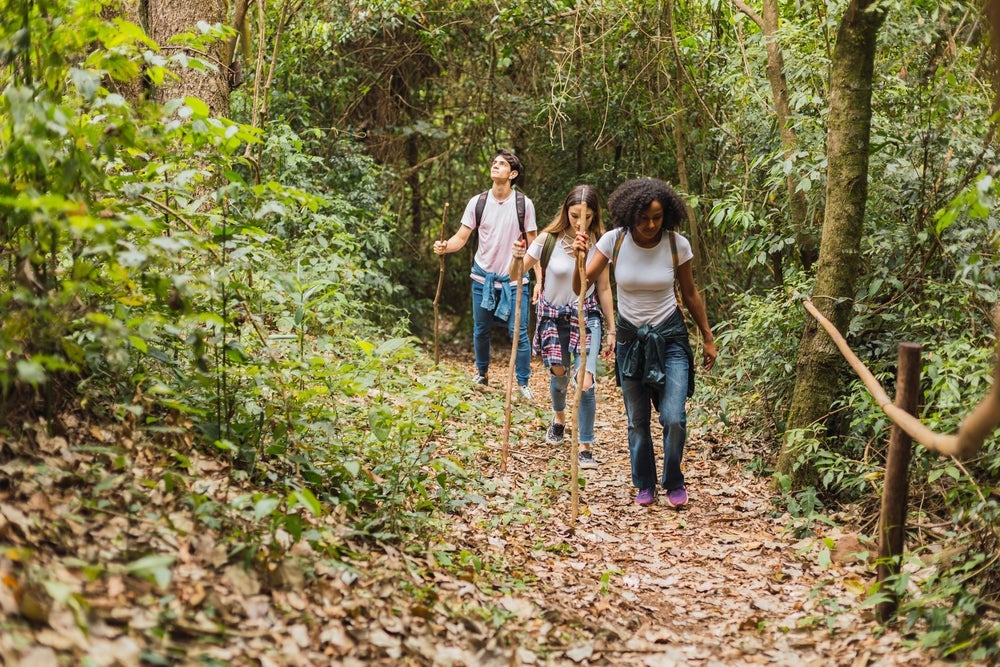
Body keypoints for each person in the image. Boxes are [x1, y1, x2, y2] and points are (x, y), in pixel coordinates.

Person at [573, 177, 717, 507]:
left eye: (657, 217)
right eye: (644, 218)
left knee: (673, 417)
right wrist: (580, 259)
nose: (651, 225)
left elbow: (691, 293)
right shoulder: (614, 242)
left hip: (670, 338)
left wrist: (708, 336)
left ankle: (673, 479)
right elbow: (580, 286)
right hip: (629, 340)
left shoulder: (675, 244)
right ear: (630, 215)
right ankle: (645, 484)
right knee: (637, 421)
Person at [510, 185, 614, 469]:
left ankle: (585, 446)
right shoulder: (548, 239)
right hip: (552, 316)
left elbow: (603, 288)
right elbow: (515, 273)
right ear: (566, 211)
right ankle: (558, 418)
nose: (581, 222)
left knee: (586, 381)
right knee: (559, 375)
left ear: (595, 216)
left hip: (586, 317)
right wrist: (517, 257)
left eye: (588, 216)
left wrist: (613, 328)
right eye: (575, 214)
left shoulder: (600, 243)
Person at [434, 150, 538, 398]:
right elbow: (461, 237)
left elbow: (535, 246)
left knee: (519, 332)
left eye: (502, 164)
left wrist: (539, 281)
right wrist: (444, 246)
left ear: (512, 174)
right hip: (483, 278)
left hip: (515, 280)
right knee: (481, 329)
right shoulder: (477, 202)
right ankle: (481, 373)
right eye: (494, 162)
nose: (496, 165)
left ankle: (523, 384)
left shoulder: (524, 204)